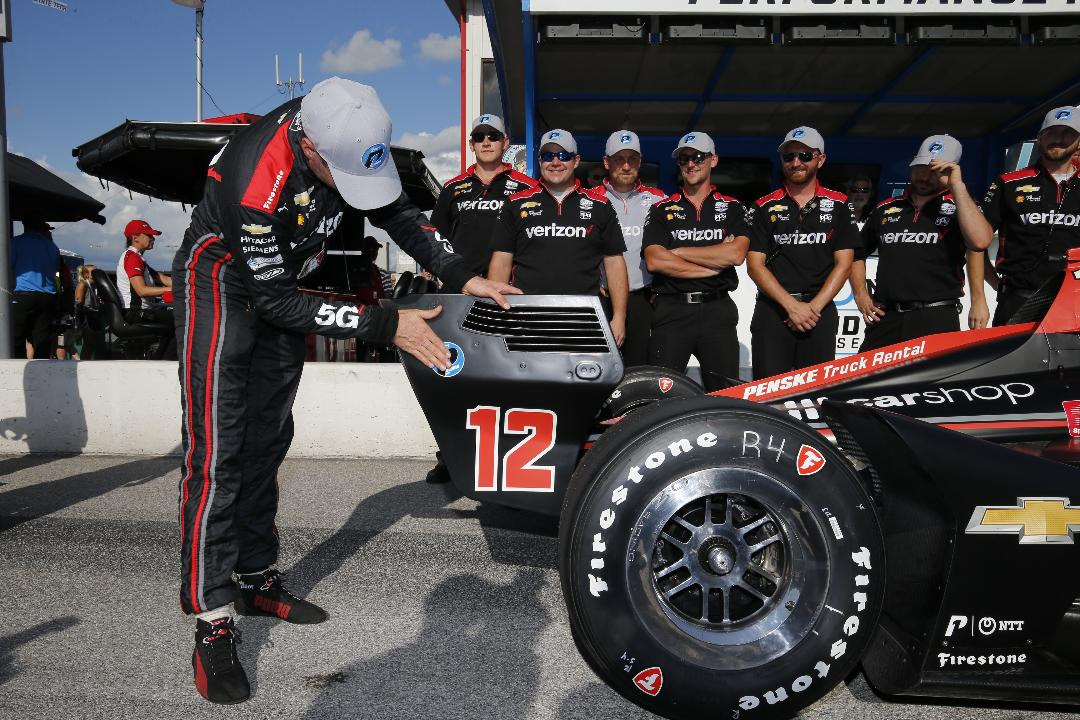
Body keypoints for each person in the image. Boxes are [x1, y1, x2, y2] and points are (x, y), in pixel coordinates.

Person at [171, 77, 516, 705]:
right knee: (217, 451)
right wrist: (388, 324)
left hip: (287, 282)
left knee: (269, 440)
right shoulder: (257, 179)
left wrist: (462, 276)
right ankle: (212, 616)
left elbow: (398, 216)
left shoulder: (345, 127)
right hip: (221, 282)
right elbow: (275, 303)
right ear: (310, 149)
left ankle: (255, 576)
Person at [851, 135, 993, 351]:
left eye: (935, 171)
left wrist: (957, 186)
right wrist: (861, 294)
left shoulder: (962, 207)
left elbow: (980, 242)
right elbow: (856, 252)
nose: (925, 176)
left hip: (936, 316)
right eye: (920, 168)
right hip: (886, 316)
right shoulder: (886, 208)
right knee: (866, 373)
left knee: (934, 374)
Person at [488, 128, 629, 345]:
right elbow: (501, 261)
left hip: (585, 320)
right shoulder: (515, 203)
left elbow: (614, 262)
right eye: (548, 156)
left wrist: (619, 317)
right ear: (540, 161)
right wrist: (496, 314)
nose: (555, 162)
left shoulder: (600, 205)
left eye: (563, 155)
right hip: (526, 318)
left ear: (576, 161)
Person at [747, 126, 861, 379]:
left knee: (815, 392)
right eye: (789, 156)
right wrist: (792, 307)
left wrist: (812, 308)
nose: (796, 162)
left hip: (819, 312)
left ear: (821, 160)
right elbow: (754, 265)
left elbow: (844, 263)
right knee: (768, 391)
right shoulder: (763, 206)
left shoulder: (840, 204)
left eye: (805, 155)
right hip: (773, 310)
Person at [642, 132, 750, 390]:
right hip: (672, 310)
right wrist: (714, 263)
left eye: (698, 157)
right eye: (684, 159)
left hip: (717, 310)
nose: (691, 164)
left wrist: (678, 251)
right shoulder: (661, 209)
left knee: (725, 393)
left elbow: (735, 255)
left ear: (713, 160)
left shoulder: (733, 207)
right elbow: (655, 260)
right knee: (661, 393)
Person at [982, 105, 1080, 325]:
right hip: (1017, 301)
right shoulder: (1008, 183)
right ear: (1039, 139)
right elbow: (975, 242)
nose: (1058, 139)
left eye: (1068, 133)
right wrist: (990, 287)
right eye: (1051, 132)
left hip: (1073, 304)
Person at [429, 114, 536, 277]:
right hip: (462, 283)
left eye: (493, 136)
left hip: (509, 285)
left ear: (505, 143)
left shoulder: (528, 187)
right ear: (471, 145)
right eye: (479, 137)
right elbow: (436, 236)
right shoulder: (452, 187)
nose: (486, 143)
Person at [594, 129, 667, 366]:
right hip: (601, 298)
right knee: (600, 370)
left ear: (640, 161)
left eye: (632, 159)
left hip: (644, 300)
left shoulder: (659, 200)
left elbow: (673, 247)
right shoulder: (589, 199)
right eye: (619, 159)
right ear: (607, 162)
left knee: (640, 369)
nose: (626, 166)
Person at [11, 218, 66, 359]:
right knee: (42, 340)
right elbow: (57, 274)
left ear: (24, 224)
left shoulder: (16, 242)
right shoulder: (52, 246)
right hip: (47, 295)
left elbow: (7, 266)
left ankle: (17, 367)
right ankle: (41, 368)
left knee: (16, 338)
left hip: (23, 293)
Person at [117, 219, 174, 326]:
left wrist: (190, 285)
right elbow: (141, 290)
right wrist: (175, 290)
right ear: (135, 238)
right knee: (183, 318)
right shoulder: (132, 258)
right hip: (136, 313)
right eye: (149, 235)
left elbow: (163, 279)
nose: (153, 238)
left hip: (142, 312)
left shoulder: (138, 259)